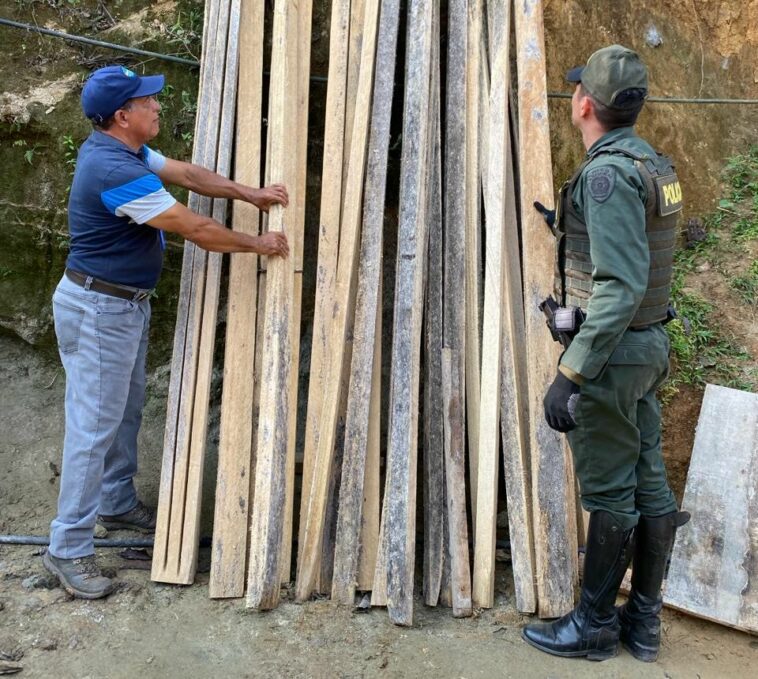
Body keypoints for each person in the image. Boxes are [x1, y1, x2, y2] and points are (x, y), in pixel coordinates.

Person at [44, 65, 289, 599]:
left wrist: (250, 193)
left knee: (124, 410)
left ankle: (115, 501)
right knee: (92, 429)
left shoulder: (126, 151)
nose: (157, 106)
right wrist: (259, 244)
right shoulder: (114, 170)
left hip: (120, 306)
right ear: (122, 115)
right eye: (146, 101)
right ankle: (69, 548)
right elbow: (197, 229)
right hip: (98, 311)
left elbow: (189, 175)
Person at [522, 45, 689, 662]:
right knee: (648, 481)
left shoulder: (605, 174)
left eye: (575, 90)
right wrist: (563, 223)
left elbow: (618, 287)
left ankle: (592, 626)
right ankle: (642, 624)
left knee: (611, 492)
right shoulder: (652, 165)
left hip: (611, 357)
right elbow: (635, 248)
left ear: (584, 103)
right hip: (646, 347)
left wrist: (570, 374)